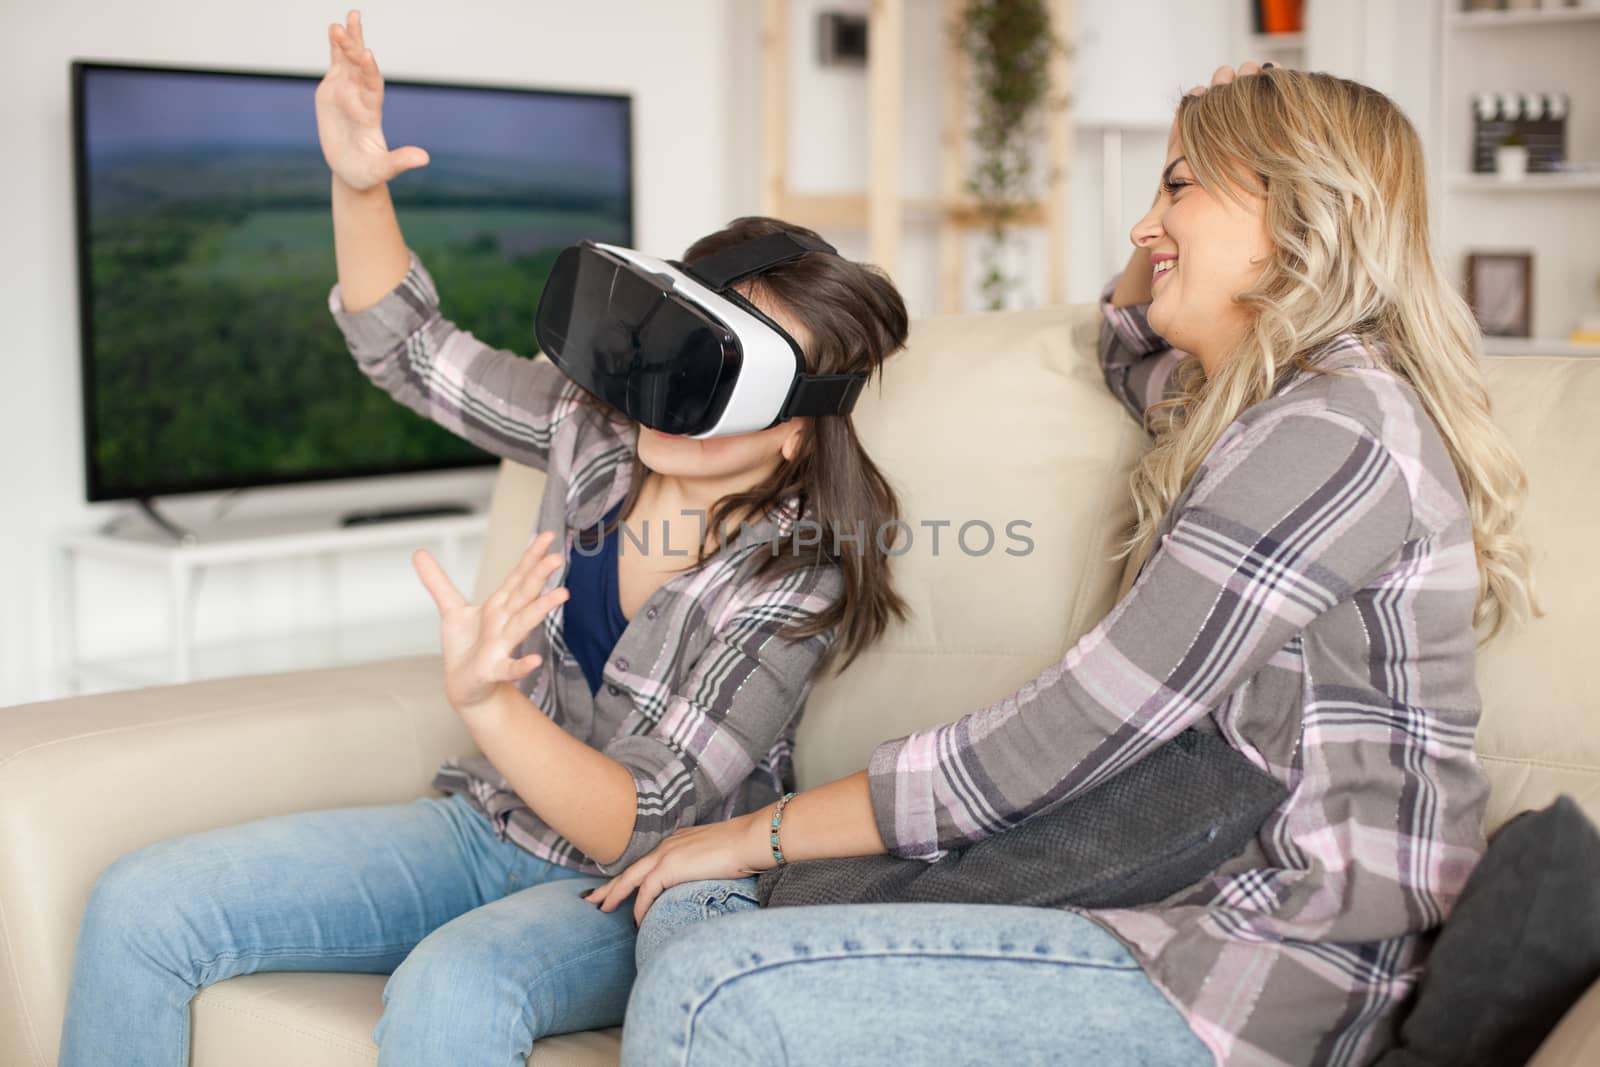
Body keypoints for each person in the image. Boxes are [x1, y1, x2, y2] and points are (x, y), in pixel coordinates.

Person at [587, 63, 1537, 1067]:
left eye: (1177, 186)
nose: (1140, 229)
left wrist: (758, 829)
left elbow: (1073, 728)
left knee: (710, 983)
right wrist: (1206, 136)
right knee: (696, 907)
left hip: (1279, 956)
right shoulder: (1259, 409)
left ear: (1300, 201)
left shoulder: (1332, 434)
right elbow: (1126, 341)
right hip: (1173, 895)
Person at [57, 11, 910, 1066]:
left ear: (792, 428)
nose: (663, 392)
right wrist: (358, 181)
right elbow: (408, 350)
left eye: (712, 374)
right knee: (146, 904)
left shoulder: (795, 577)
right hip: (488, 827)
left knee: (454, 988)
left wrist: (489, 702)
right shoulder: (591, 425)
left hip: (637, 886)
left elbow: (641, 824)